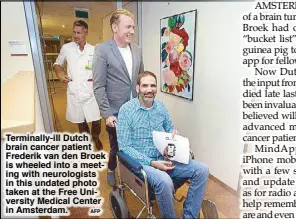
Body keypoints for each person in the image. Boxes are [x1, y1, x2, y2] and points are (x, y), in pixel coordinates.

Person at [117, 71, 209, 218]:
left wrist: (174, 138)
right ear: (137, 88)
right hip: (142, 164)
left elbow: (170, 128)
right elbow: (125, 147)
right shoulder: (126, 111)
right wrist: (152, 163)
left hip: (164, 157)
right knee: (164, 180)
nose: (149, 89)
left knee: (202, 169)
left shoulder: (161, 107)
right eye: (145, 86)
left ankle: (190, 215)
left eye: (153, 86)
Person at [93, 8, 144, 186]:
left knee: (135, 145)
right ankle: (111, 169)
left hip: (136, 110)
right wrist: (107, 114)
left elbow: (140, 79)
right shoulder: (102, 50)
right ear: (115, 27)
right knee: (117, 147)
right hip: (115, 113)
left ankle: (133, 178)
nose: (132, 31)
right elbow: (99, 86)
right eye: (128, 27)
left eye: (133, 27)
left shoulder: (137, 50)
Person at [54, 20, 103, 150]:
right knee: (81, 119)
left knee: (96, 117)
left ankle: (96, 137)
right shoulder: (67, 48)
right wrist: (60, 74)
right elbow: (57, 64)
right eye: (74, 32)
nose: (76, 35)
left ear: (86, 32)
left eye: (79, 33)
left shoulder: (94, 50)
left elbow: (101, 68)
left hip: (91, 91)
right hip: (75, 90)